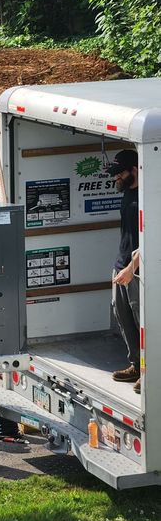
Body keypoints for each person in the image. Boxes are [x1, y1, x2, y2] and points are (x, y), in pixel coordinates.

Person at [108, 150, 141, 394]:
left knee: (144, 323)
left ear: (135, 169)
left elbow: (153, 239)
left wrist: (132, 268)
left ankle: (149, 372)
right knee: (123, 317)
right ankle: (136, 366)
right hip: (121, 266)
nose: (116, 177)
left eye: (120, 172)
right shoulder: (127, 192)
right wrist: (120, 266)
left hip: (139, 271)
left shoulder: (148, 197)